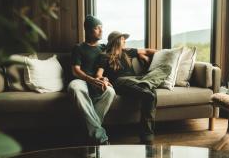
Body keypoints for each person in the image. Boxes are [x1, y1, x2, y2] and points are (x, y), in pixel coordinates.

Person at [96, 31, 161, 145]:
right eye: (122, 39)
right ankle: (147, 137)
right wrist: (102, 79)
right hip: (120, 82)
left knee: (152, 91)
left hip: (136, 79)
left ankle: (146, 136)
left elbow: (146, 50)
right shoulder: (104, 56)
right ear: (116, 41)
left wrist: (163, 53)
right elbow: (98, 74)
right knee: (150, 95)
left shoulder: (128, 52)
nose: (125, 41)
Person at [67, 15, 115, 145]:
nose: (101, 31)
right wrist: (90, 79)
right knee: (74, 88)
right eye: (97, 28)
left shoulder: (103, 49)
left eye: (102, 28)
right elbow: (75, 70)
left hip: (96, 82)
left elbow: (101, 71)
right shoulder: (79, 48)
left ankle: (85, 132)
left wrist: (103, 78)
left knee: (110, 91)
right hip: (81, 80)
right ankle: (100, 137)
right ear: (88, 30)